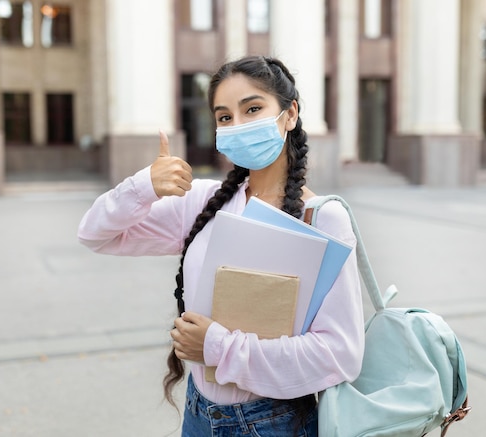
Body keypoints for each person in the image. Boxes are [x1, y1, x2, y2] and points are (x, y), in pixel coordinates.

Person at [78, 55, 365, 436]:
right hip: (199, 414)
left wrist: (217, 348)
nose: (238, 125)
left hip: (276, 423)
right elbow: (96, 233)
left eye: (253, 109)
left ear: (290, 113)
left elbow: (339, 356)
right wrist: (145, 185)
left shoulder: (324, 218)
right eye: (225, 117)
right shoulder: (202, 202)